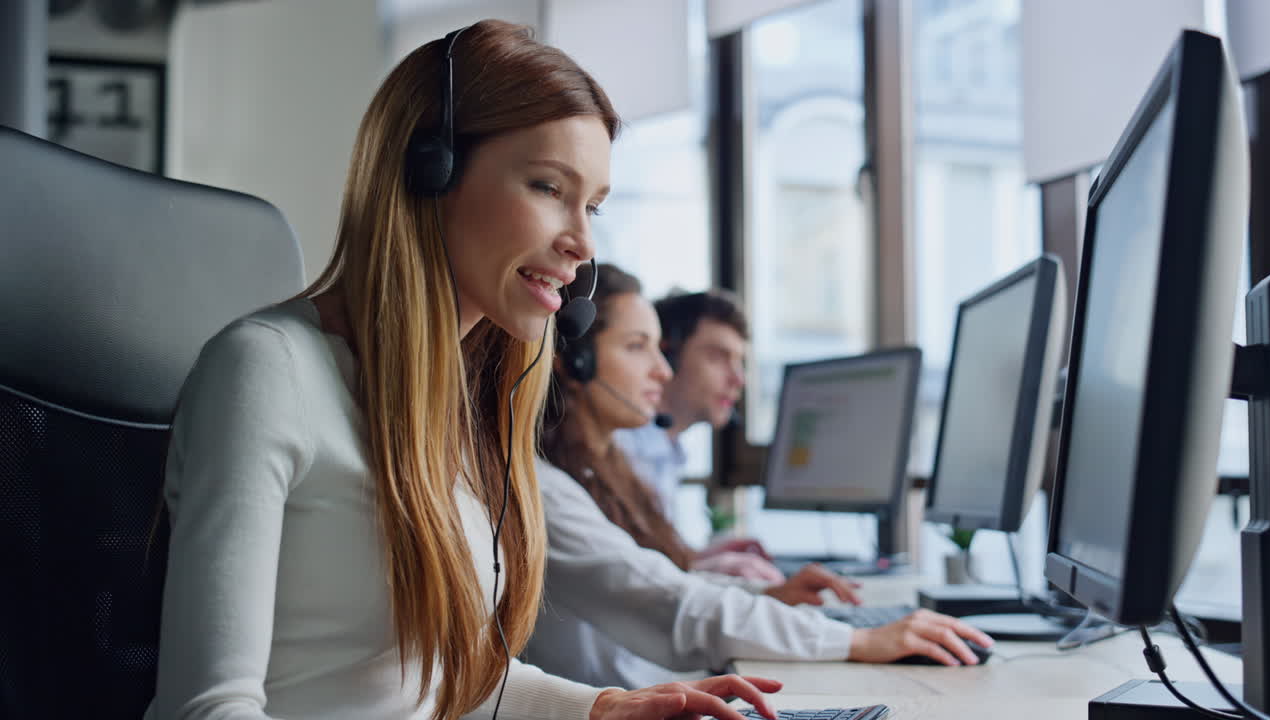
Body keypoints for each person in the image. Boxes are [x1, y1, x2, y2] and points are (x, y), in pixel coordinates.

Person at [146, 20, 782, 720]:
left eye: (593, 206)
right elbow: (204, 711)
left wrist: (606, 707)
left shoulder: (461, 404)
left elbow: (445, 683)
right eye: (549, 187)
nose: (581, 245)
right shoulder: (266, 371)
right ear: (432, 171)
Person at [527, 263, 994, 690]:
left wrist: (767, 594)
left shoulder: (597, 470)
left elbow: (665, 583)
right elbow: (671, 604)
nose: (662, 371)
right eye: (637, 347)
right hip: (639, 694)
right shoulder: (545, 492)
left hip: (651, 687)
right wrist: (859, 640)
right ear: (574, 361)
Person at [612, 288, 783, 581]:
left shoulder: (666, 450)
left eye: (739, 361)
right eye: (718, 357)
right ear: (668, 356)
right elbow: (623, 579)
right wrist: (698, 567)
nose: (738, 380)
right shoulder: (617, 447)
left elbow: (644, 560)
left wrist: (699, 557)